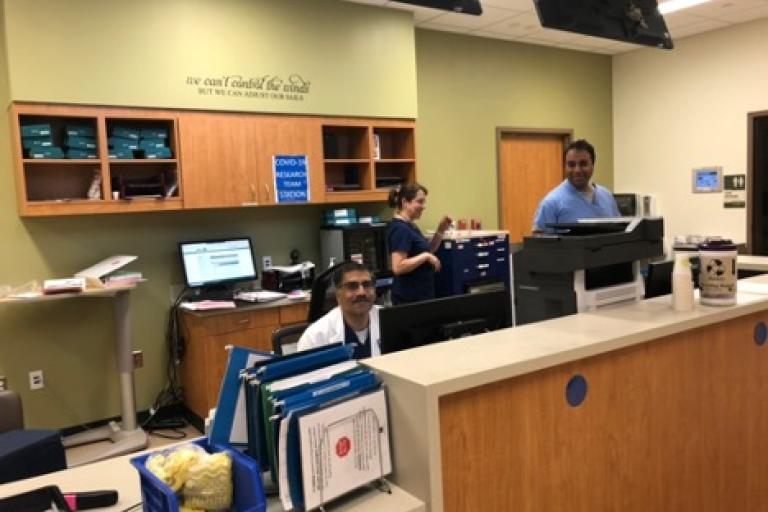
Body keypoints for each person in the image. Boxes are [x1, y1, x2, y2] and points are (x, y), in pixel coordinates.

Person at [532, 139, 620, 233]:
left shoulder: (607, 197)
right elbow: (539, 238)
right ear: (565, 167)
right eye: (571, 165)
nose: (577, 170)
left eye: (583, 164)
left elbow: (619, 232)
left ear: (592, 165)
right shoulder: (551, 203)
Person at [297, 261, 381, 358]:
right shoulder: (315, 337)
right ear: (338, 295)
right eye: (352, 286)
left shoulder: (390, 319)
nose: (361, 292)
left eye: (367, 285)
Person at [387, 183, 452, 305]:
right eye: (420, 201)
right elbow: (398, 267)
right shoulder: (400, 229)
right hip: (409, 300)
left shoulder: (410, 226)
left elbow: (429, 250)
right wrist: (425, 257)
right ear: (405, 202)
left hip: (421, 296)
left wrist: (440, 230)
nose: (424, 206)